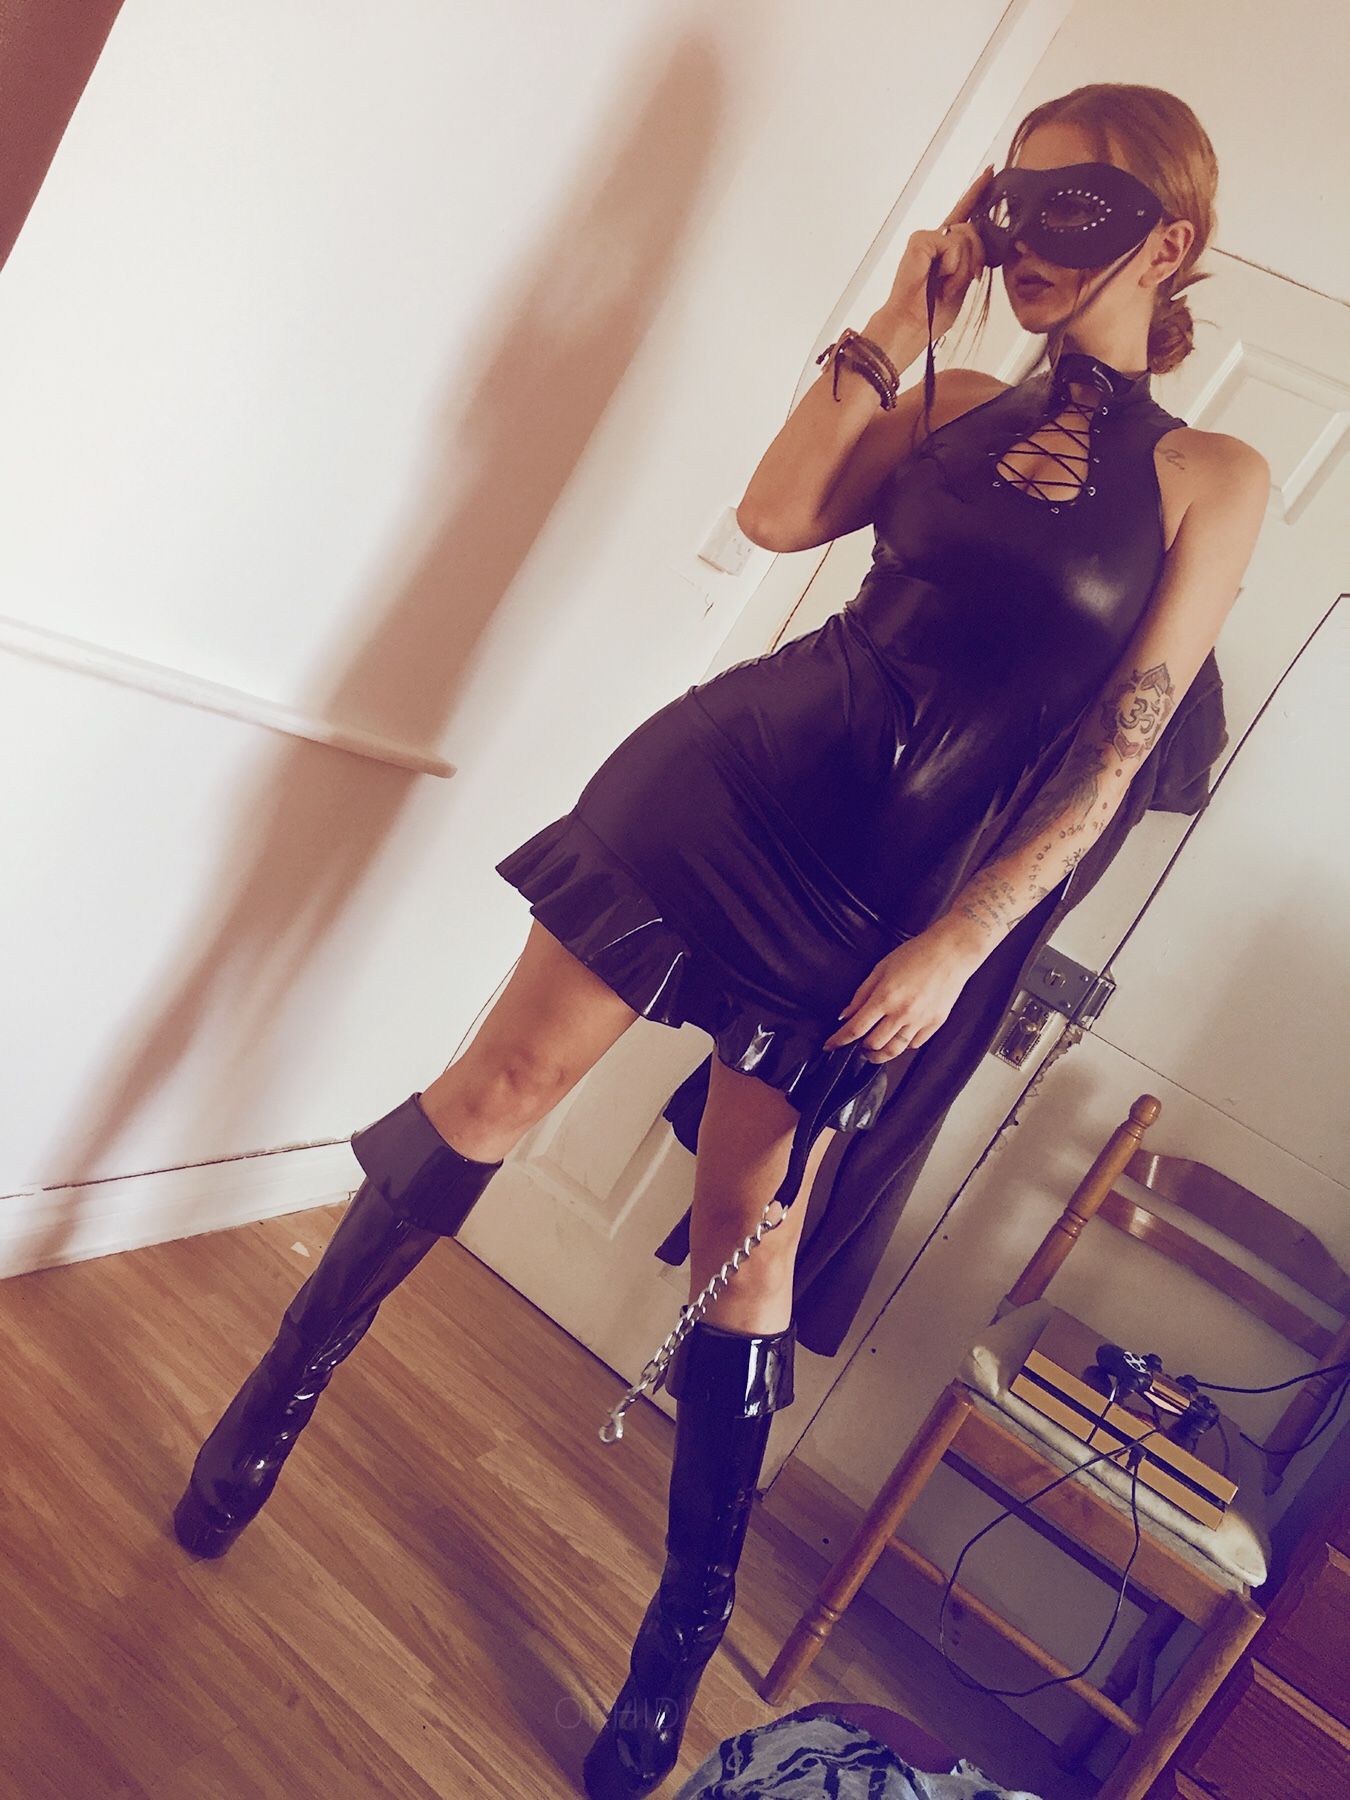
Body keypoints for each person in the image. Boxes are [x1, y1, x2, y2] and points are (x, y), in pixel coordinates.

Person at [169, 81, 1270, 1800]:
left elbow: (1118, 746)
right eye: (1013, 198)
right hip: (719, 784)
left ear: (1168, 240)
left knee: (741, 1258)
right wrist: (900, 311)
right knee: (498, 1087)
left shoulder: (1211, 475)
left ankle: (672, 1647)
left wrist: (961, 943)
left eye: (1075, 208)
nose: (1025, 238)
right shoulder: (949, 396)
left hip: (880, 903)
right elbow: (774, 515)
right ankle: (272, 1406)